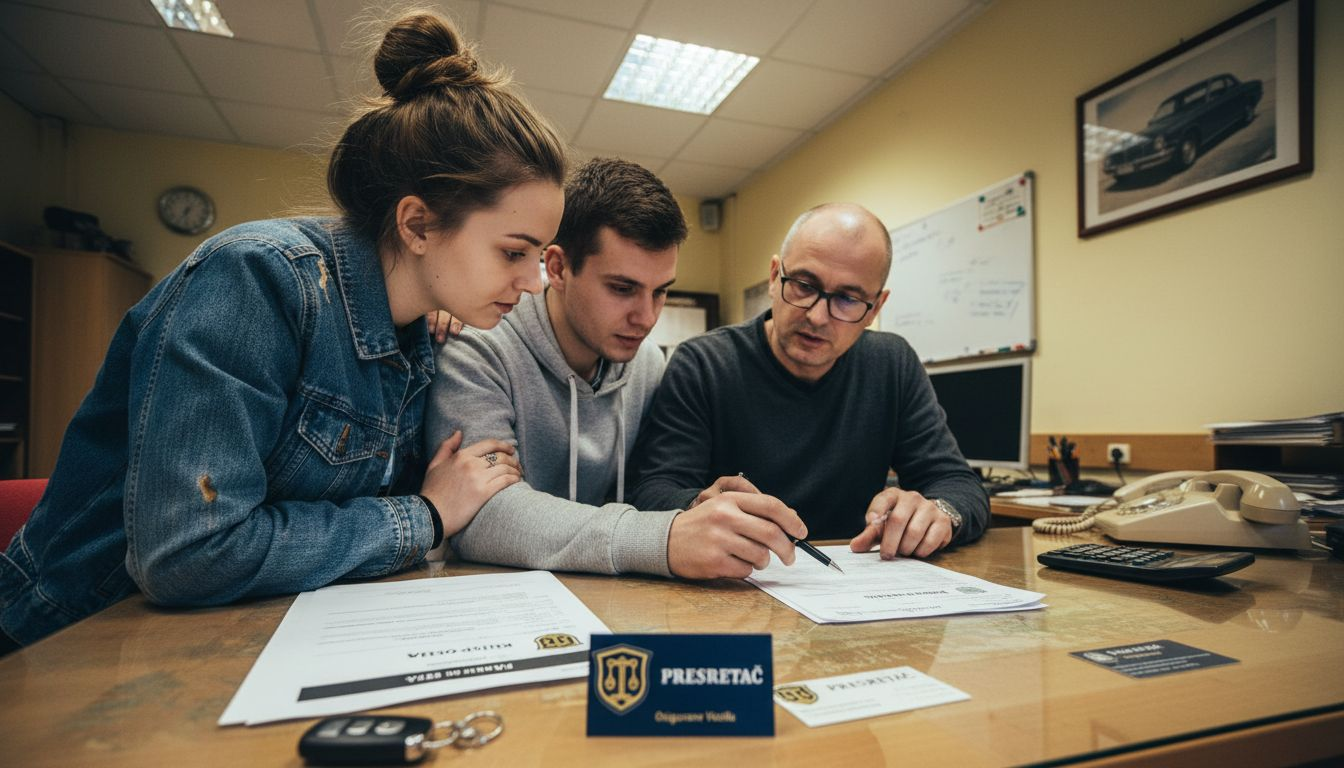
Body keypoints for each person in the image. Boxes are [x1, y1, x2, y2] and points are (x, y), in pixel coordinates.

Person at [0, 11, 567, 652]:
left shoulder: (418, 334)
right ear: (417, 225)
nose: (535, 283)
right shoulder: (255, 279)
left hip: (240, 638)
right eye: (514, 252)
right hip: (70, 637)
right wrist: (425, 515)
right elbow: (189, 554)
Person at [425, 158, 807, 578]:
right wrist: (662, 539)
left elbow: (645, 489)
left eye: (660, 292)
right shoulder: (478, 344)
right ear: (557, 268)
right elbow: (481, 517)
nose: (646, 318)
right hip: (497, 603)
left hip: (614, 595)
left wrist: (690, 507)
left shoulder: (648, 363)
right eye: (622, 289)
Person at [628, 203, 988, 573]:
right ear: (773, 276)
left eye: (848, 299)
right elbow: (653, 489)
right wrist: (696, 507)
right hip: (737, 584)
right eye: (803, 285)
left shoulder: (892, 363)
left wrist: (940, 513)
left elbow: (956, 482)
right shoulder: (704, 363)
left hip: (858, 587)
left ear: (875, 307)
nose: (817, 316)